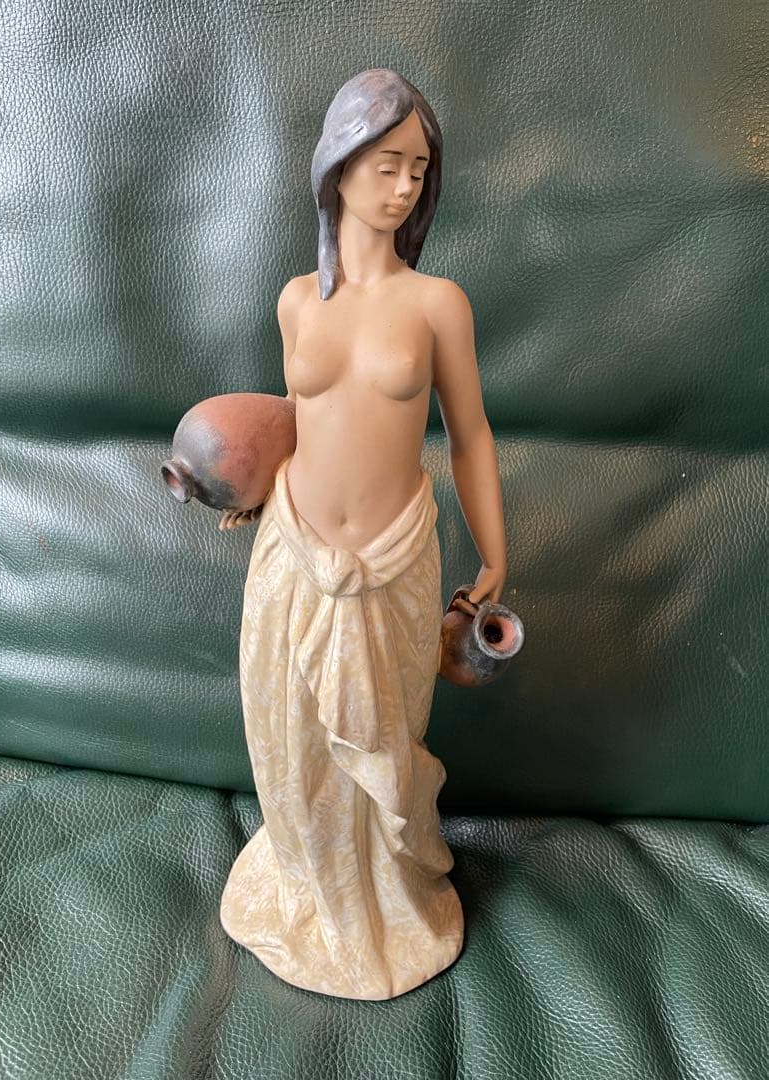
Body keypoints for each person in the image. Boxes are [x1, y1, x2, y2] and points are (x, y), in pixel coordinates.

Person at [220, 68, 507, 1000]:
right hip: (291, 554)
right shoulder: (295, 301)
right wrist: (249, 484)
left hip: (392, 566)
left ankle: (382, 899)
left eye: (419, 168)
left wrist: (495, 553)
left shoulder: (437, 304)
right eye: (387, 164)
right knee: (291, 740)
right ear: (338, 166)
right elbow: (299, 415)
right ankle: (308, 883)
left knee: (383, 743)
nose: (405, 186)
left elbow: (470, 436)